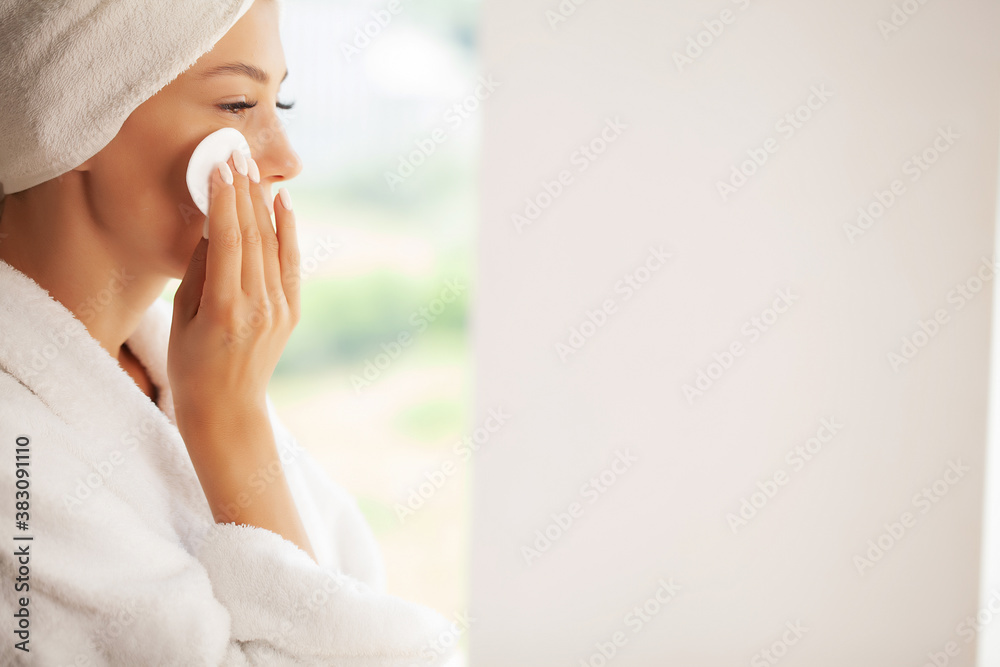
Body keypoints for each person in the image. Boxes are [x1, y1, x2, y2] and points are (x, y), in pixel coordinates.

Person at [0, 0, 458, 664]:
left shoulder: (172, 369)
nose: (287, 157)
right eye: (239, 106)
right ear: (76, 120)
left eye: (283, 106)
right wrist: (230, 425)